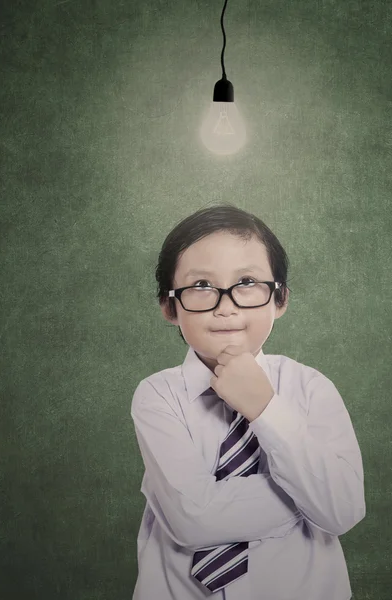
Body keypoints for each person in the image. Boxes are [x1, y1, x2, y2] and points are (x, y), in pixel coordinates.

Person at [131, 203, 365, 599]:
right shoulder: (157, 396)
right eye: (201, 286)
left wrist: (265, 407)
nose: (226, 305)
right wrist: (307, 499)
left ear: (280, 299)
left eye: (247, 282)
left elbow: (342, 511)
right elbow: (193, 518)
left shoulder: (312, 388)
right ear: (170, 306)